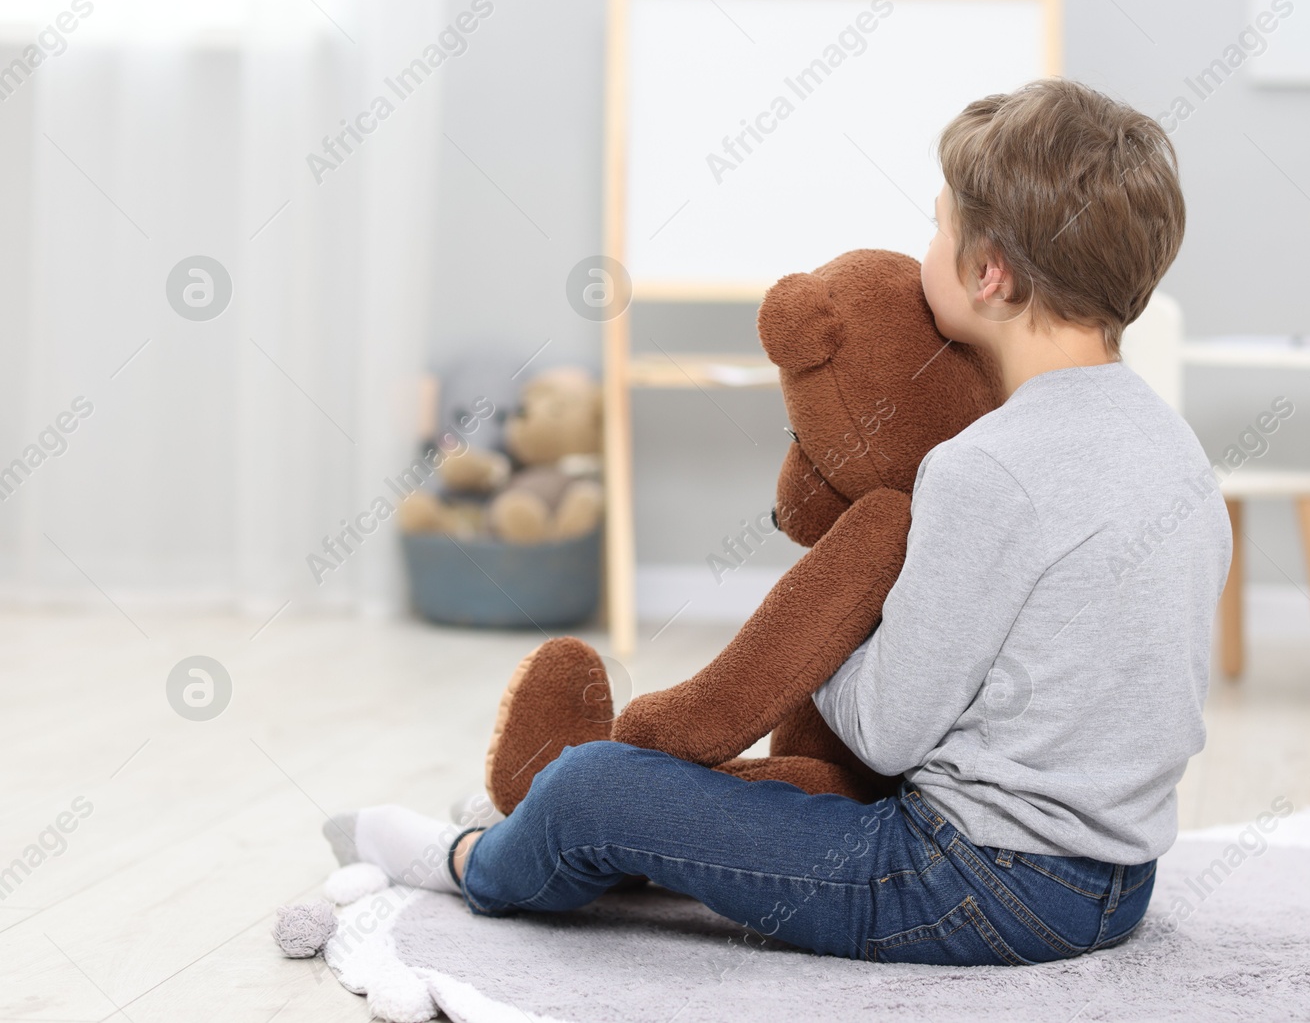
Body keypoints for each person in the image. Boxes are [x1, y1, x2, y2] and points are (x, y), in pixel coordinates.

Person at [328, 79, 1230, 966]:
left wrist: (840, 594)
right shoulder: (1178, 452)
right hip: (1122, 880)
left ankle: (472, 863)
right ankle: (607, 841)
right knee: (726, 803)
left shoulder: (983, 467)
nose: (925, 247)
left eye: (938, 227)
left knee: (593, 789)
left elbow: (885, 732)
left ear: (989, 272)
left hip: (973, 884)